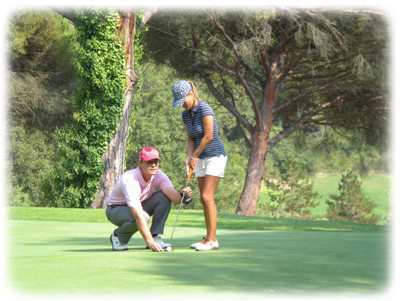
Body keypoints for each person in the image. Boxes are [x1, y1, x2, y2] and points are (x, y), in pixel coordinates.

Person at [172, 80, 227, 251]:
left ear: (191, 94)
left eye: (183, 101)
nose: (182, 105)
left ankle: (213, 240)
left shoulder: (205, 108)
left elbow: (209, 136)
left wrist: (195, 155)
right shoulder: (186, 115)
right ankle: (208, 237)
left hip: (215, 156)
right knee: (204, 199)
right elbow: (191, 138)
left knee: (206, 196)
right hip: (200, 158)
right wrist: (189, 158)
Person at [105, 146, 192, 252]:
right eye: (149, 162)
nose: (153, 165)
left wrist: (183, 195)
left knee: (164, 196)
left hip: (138, 205)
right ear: (140, 163)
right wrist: (149, 242)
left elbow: (175, 198)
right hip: (115, 210)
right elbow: (138, 215)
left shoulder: (159, 175)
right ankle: (117, 236)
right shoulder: (130, 179)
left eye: (156, 161)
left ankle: (155, 236)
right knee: (144, 217)